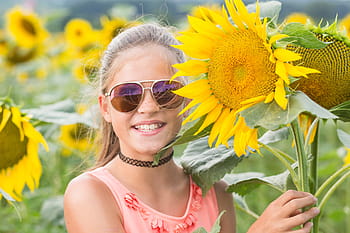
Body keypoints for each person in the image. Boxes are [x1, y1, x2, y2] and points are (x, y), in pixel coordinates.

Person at [64, 23, 319, 233]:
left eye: (166, 92)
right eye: (127, 95)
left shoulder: (216, 191)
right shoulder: (91, 194)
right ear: (106, 107)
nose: (148, 107)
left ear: (187, 100)